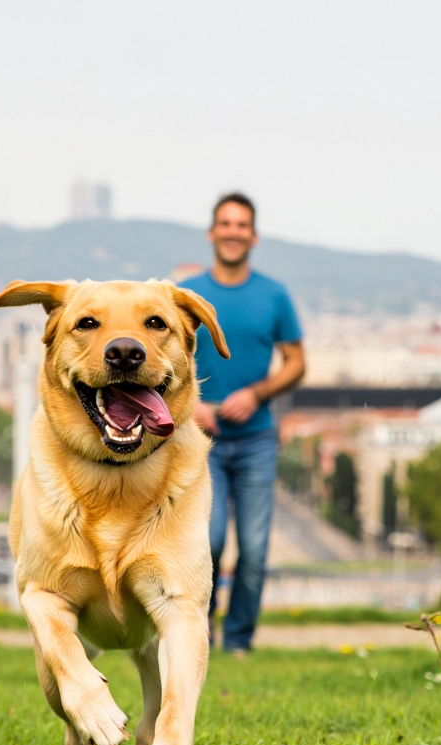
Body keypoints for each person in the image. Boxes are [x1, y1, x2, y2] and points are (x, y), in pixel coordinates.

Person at [179, 193, 306, 654]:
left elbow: (296, 362)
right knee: (207, 545)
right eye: (225, 224)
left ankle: (239, 642)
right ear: (212, 232)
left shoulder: (274, 295)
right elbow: (168, 359)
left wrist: (256, 393)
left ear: (253, 235)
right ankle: (199, 637)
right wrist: (191, 404)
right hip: (199, 440)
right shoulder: (189, 295)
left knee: (253, 552)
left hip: (256, 441)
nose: (233, 232)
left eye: (242, 225)